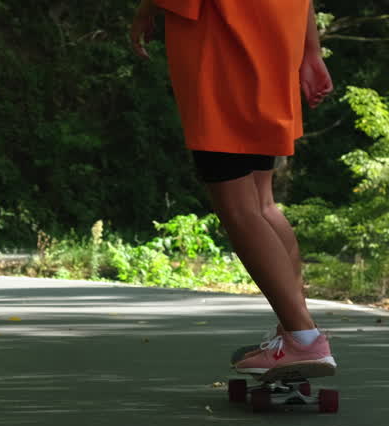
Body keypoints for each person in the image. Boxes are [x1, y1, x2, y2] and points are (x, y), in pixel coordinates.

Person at [131, 0, 337, 378]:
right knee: (262, 203)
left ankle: (303, 339)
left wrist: (147, 10)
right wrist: (310, 49)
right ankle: (297, 331)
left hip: (224, 50)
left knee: (239, 207)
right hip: (273, 46)